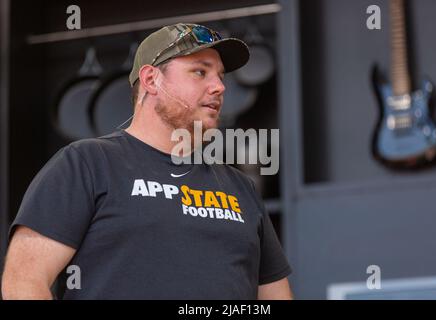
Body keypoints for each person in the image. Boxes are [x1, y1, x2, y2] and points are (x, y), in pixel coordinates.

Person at [1, 23, 293, 299]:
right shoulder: (87, 164)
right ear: (151, 80)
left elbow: (276, 296)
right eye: (200, 72)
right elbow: (23, 283)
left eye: (221, 76)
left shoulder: (241, 188)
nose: (219, 87)